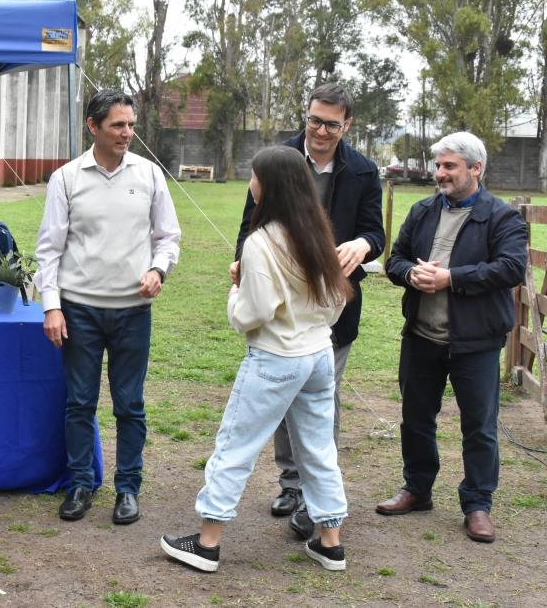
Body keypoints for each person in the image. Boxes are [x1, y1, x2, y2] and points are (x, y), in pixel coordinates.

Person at [161, 145, 353, 573]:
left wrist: (236, 290)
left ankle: (207, 543)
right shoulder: (319, 233)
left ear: (267, 185)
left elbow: (253, 313)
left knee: (235, 445)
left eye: (254, 176)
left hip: (275, 359)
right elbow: (336, 299)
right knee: (319, 450)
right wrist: (251, 283)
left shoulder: (261, 242)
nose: (251, 182)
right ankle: (330, 543)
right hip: (319, 355)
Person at [234, 83, 383, 540]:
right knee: (282, 396)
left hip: (332, 309)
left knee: (321, 401)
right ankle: (291, 483)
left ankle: (317, 500)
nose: (320, 131)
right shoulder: (278, 160)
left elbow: (376, 233)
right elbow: (250, 223)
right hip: (280, 308)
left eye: (331, 125)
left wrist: (362, 244)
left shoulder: (363, 171)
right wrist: (243, 263)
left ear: (347, 125)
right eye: (314, 120)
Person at [33, 89, 181, 525]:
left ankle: (128, 488)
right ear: (93, 126)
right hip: (79, 310)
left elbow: (168, 237)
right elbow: (49, 248)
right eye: (118, 125)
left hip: (133, 311)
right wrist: (51, 307)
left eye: (131, 124)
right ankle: (81, 484)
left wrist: (158, 270)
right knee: (79, 402)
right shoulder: (66, 178)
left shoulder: (149, 174)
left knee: (129, 404)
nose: (127, 133)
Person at [378, 132, 526, 544]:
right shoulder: (423, 211)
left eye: (449, 166)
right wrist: (410, 273)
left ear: (476, 168)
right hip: (421, 336)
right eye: (438, 166)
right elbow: (394, 260)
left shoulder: (501, 217)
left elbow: (511, 268)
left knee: (479, 426)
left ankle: (477, 504)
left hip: (476, 342)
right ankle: (417, 488)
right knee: (416, 417)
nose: (439, 173)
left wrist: (451, 278)